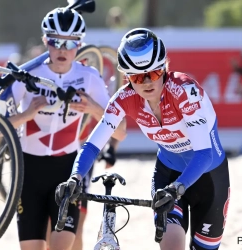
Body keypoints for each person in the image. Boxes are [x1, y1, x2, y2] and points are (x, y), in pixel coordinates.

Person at [55, 28, 230, 250]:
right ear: (127, 77)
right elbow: (92, 145)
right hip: (169, 174)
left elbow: (204, 154)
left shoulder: (185, 91)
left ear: (165, 67)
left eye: (154, 73)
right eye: (137, 77)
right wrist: (75, 178)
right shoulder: (124, 99)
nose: (147, 82)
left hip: (209, 176)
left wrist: (177, 188)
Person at [6, 7, 126, 250]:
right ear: (45, 41)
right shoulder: (28, 74)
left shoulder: (89, 76)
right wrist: (26, 114)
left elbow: (120, 130)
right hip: (28, 170)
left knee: (63, 246)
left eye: (70, 44)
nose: (62, 49)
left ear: (80, 45)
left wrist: (93, 108)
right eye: (55, 41)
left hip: (67, 170)